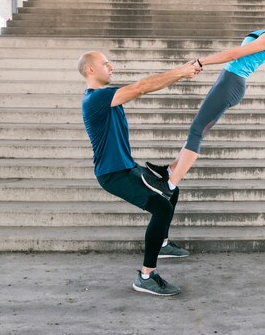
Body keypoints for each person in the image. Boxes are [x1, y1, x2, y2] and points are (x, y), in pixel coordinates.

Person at [142, 0, 265, 198]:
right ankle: (169, 171)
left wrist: (202, 61)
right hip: (227, 79)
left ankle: (171, 185)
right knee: (197, 130)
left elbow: (234, 54)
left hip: (232, 83)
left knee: (196, 131)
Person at [78, 51, 201, 296]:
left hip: (127, 166)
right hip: (113, 174)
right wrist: (180, 71)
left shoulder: (106, 97)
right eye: (104, 63)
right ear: (90, 70)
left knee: (171, 189)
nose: (110, 66)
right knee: (162, 208)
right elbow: (143, 87)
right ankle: (146, 276)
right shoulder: (95, 99)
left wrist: (179, 74)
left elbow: (144, 86)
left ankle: (162, 243)